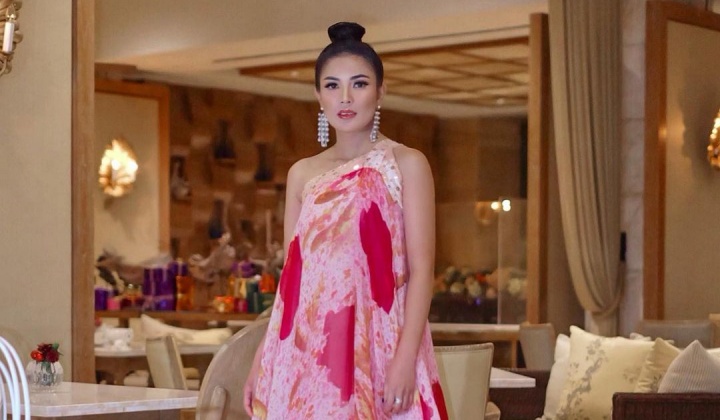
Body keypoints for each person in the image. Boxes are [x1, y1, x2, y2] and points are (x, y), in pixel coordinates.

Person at [243, 21, 448, 419]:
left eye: (359, 83)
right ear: (318, 95)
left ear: (380, 91)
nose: (346, 97)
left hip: (381, 343)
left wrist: (405, 358)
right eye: (333, 85)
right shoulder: (302, 174)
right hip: (304, 353)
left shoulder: (406, 164)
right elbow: (292, 282)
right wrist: (262, 358)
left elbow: (423, 271)